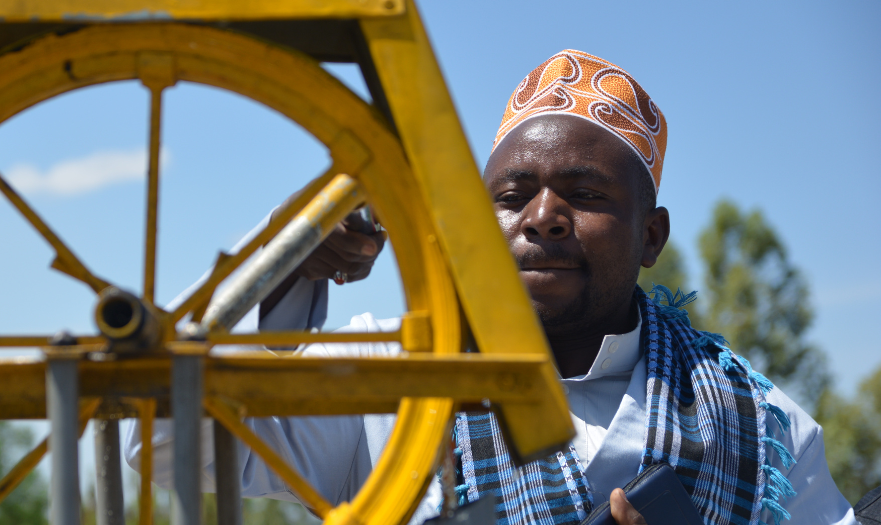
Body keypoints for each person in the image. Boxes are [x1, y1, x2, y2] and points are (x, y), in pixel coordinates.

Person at [126, 50, 857, 525]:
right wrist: (283, 251)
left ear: (650, 236)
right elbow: (161, 437)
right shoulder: (393, 376)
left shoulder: (757, 424)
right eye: (513, 196)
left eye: (585, 194)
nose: (543, 218)